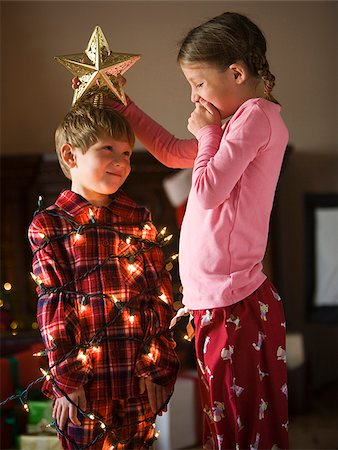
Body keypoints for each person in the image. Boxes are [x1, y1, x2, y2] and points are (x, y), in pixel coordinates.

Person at [76, 11, 289, 450]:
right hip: (216, 299)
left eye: (198, 84)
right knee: (224, 418)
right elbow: (174, 152)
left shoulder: (255, 118)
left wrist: (209, 132)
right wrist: (123, 106)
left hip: (234, 301)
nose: (194, 97)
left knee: (240, 422)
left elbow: (208, 191)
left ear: (236, 72)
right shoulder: (237, 123)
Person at [28, 103, 179, 450]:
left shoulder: (137, 217)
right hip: (86, 388)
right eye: (107, 150)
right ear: (70, 155)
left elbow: (157, 293)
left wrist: (156, 366)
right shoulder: (50, 225)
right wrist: (68, 378)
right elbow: (52, 306)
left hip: (137, 379)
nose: (121, 162)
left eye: (127, 152)